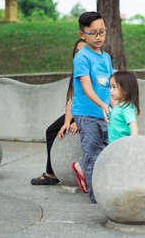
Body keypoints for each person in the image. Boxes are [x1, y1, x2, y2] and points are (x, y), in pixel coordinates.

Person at [30, 38, 86, 185]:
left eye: (84, 51)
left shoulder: (92, 71)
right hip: (79, 110)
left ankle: (54, 173)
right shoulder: (77, 72)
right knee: (52, 130)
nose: (80, 55)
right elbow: (71, 100)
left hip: (92, 113)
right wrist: (67, 122)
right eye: (77, 51)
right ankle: (52, 173)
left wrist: (79, 122)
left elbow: (96, 100)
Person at [70, 11, 113, 202]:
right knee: (94, 152)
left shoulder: (106, 58)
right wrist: (102, 105)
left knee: (107, 150)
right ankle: (97, 197)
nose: (99, 37)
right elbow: (86, 88)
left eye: (102, 32)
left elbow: (109, 87)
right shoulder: (82, 57)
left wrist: (115, 108)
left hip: (103, 112)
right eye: (94, 33)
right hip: (87, 113)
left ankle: (81, 166)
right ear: (82, 35)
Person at [108, 71, 140, 144]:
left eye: (114, 87)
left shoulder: (127, 108)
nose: (111, 91)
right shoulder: (118, 106)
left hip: (123, 146)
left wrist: (133, 143)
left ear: (125, 90)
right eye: (110, 87)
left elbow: (133, 126)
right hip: (114, 145)